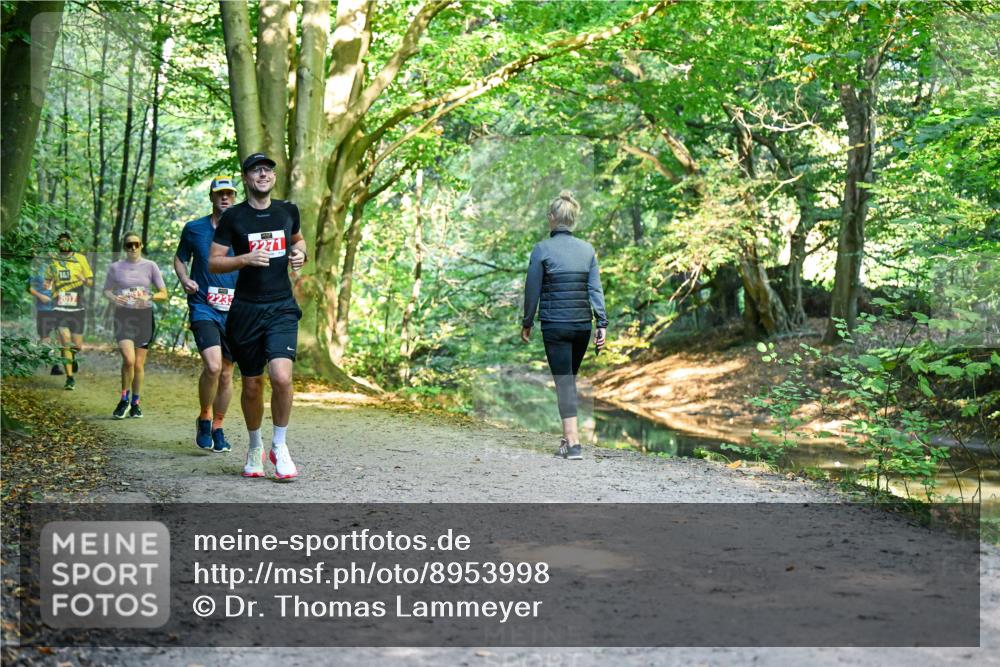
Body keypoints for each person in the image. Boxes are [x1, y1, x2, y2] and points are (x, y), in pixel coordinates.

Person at [209, 153, 307, 480]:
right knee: (252, 386)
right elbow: (214, 262)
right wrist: (245, 259)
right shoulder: (234, 218)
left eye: (267, 169)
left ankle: (279, 446)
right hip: (246, 309)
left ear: (273, 178)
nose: (263, 174)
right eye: (255, 170)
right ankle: (255, 445)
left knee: (281, 377)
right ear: (247, 178)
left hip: (281, 307)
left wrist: (300, 253)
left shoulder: (287, 211)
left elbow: (298, 240)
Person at [521, 190, 608, 460]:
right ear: (572, 219)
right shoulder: (587, 250)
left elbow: (532, 290)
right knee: (568, 380)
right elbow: (595, 289)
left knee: (565, 382)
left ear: (552, 218)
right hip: (582, 326)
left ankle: (573, 443)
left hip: (555, 326)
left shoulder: (542, 249)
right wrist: (602, 323)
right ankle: (566, 439)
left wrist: (527, 322)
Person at [175, 176, 240, 453]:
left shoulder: (243, 230)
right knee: (213, 367)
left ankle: (219, 427)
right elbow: (180, 259)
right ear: (211, 197)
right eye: (219, 194)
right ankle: (204, 416)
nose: (224, 198)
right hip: (203, 305)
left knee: (226, 374)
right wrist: (184, 279)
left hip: (236, 310)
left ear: (234, 198)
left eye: (229, 194)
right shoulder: (194, 229)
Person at [103, 232, 167, 419]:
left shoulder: (150, 266)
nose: (132, 248)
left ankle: (135, 403)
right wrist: (114, 298)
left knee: (138, 364)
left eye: (136, 244)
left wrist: (149, 296)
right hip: (123, 315)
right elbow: (106, 290)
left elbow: (163, 293)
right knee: (128, 360)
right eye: (128, 245)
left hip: (144, 316)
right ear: (124, 247)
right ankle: (124, 399)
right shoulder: (115, 267)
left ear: (141, 245)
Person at [47, 232, 93, 390]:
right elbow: (47, 282)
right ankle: (69, 378)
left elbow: (90, 283)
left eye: (67, 242)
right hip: (59, 307)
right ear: (58, 244)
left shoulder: (80, 258)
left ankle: (72, 358)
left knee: (77, 346)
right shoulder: (53, 261)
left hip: (77, 307)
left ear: (71, 243)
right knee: (65, 341)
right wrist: (48, 286)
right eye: (61, 242)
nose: (64, 245)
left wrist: (83, 279)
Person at [28, 253, 61, 374]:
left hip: (60, 308)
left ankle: (59, 363)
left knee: (59, 335)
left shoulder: (62, 268)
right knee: (45, 336)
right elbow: (28, 286)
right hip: (44, 309)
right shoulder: (39, 269)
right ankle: (51, 361)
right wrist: (40, 296)